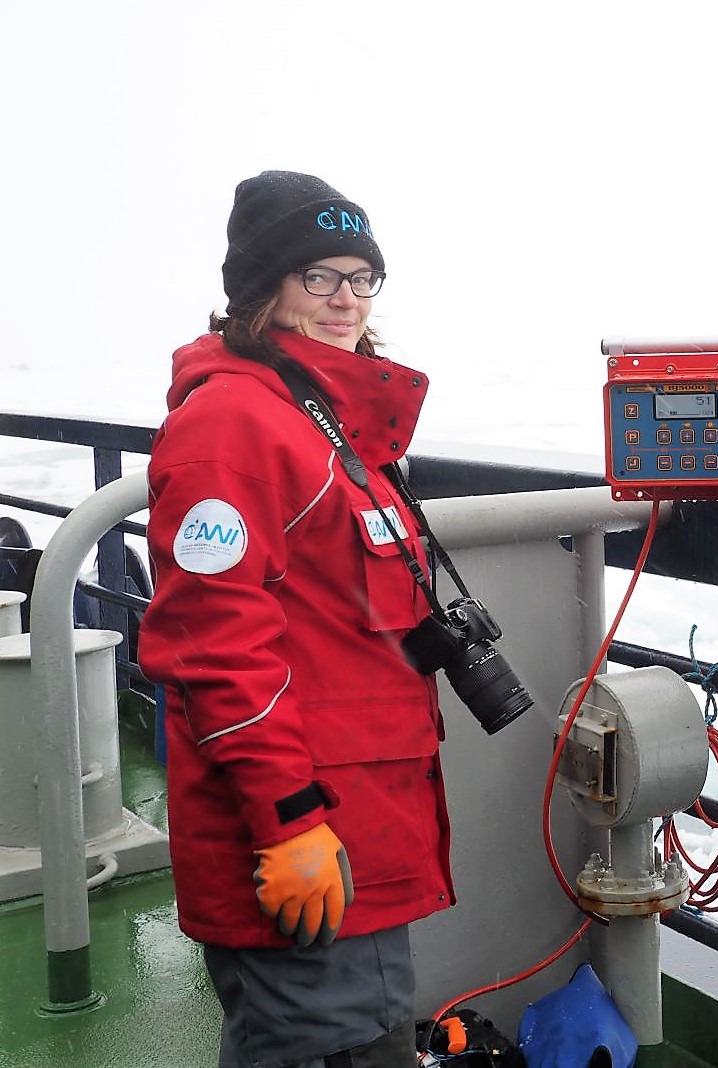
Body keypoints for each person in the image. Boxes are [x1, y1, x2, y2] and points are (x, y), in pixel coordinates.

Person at [140, 171, 451, 1068]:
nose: (346, 299)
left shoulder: (318, 420)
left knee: (352, 1036)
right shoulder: (232, 425)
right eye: (318, 276)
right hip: (310, 828)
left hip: (360, 820)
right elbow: (215, 646)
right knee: (332, 1045)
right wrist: (288, 821)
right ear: (261, 289)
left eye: (362, 276)